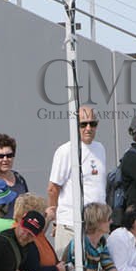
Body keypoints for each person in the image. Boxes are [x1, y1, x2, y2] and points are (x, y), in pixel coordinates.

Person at [47, 110, 108, 258]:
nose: (88, 128)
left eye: (92, 124)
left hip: (96, 226)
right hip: (71, 224)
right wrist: (56, 220)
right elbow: (53, 188)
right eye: (83, 124)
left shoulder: (100, 148)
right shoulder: (65, 151)